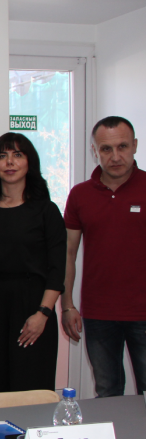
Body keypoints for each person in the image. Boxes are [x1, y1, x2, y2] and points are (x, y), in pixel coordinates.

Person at [62, 116, 146, 397]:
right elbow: (68, 253)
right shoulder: (80, 195)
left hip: (144, 311)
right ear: (94, 151)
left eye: (123, 146)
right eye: (106, 149)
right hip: (99, 314)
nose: (115, 156)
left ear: (135, 145)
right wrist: (68, 305)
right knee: (108, 393)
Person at [0, 132, 65, 393]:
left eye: (17, 155)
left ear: (30, 162)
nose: (10, 162)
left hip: (33, 308)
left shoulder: (46, 211)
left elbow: (57, 270)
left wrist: (43, 314)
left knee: (31, 387)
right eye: (2, 156)